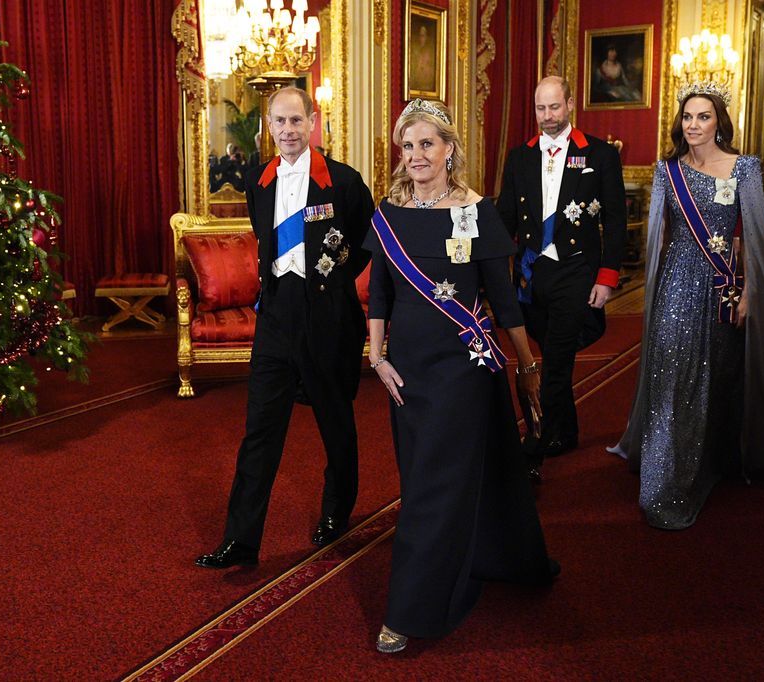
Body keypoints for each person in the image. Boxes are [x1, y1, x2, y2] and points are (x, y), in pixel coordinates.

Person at [365, 98, 558, 653]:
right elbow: (379, 293)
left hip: (462, 370)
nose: (416, 155)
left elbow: (504, 299)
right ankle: (489, 552)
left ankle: (410, 609)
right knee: (423, 478)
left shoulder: (477, 211)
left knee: (433, 486)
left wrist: (527, 364)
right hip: (407, 371)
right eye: (408, 145)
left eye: (427, 143)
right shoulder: (389, 213)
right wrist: (377, 358)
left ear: (449, 149)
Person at [610, 82, 764, 530]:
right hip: (677, 285)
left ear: (719, 122)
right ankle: (664, 479)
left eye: (703, 116)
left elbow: (754, 236)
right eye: (687, 117)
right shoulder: (667, 170)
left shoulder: (744, 167)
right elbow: (659, 236)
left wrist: (751, 291)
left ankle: (713, 458)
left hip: (724, 286)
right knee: (672, 375)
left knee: (719, 374)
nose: (693, 125)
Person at [195, 87, 375, 569]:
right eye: (280, 121)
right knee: (260, 431)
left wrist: (331, 279)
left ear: (312, 122)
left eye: (297, 120)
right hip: (276, 316)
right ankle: (240, 540)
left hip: (328, 318)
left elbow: (365, 241)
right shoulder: (258, 181)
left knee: (335, 424)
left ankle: (336, 513)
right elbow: (265, 241)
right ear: (269, 126)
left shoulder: (344, 181)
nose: (289, 130)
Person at [496, 75, 627, 475]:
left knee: (555, 362)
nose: (548, 115)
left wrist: (607, 277)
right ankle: (565, 431)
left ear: (570, 104)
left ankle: (534, 445)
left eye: (555, 106)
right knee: (552, 351)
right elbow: (504, 218)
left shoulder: (599, 154)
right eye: (541, 108)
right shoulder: (519, 157)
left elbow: (615, 220)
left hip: (577, 269)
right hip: (533, 272)